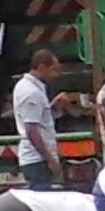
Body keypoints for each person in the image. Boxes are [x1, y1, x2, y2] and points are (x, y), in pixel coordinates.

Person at [11, 48, 64, 186]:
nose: (55, 75)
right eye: (53, 70)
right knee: (41, 203)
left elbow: (37, 120)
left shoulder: (31, 88)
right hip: (37, 161)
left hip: (36, 160)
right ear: (41, 68)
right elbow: (31, 130)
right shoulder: (31, 92)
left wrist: (53, 107)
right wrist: (50, 160)